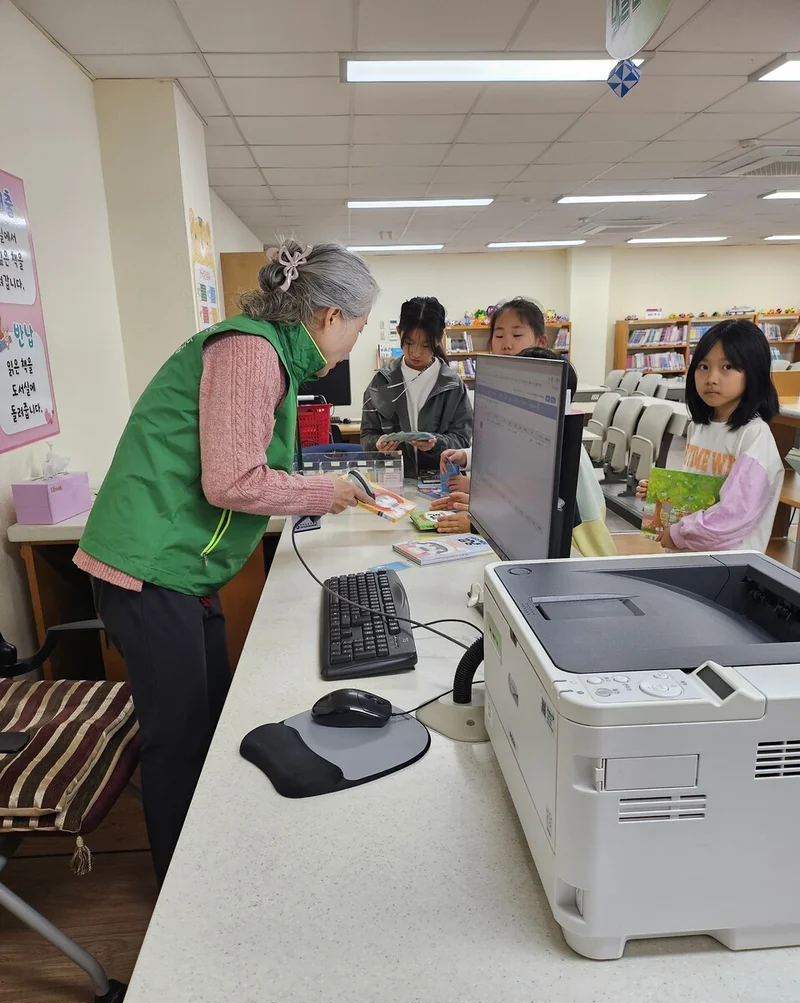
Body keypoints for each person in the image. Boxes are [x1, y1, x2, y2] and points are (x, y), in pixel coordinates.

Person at [74, 240, 377, 884]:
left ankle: (207, 858)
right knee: (178, 740)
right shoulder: (250, 352)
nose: (355, 340)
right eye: (359, 325)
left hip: (181, 570)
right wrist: (327, 492)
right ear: (327, 317)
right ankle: (180, 889)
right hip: (150, 570)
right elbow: (233, 482)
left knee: (208, 721)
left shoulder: (270, 355)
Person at [437, 299, 616, 557]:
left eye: (517, 334)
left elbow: (535, 506)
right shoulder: (514, 398)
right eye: (498, 335)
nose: (507, 343)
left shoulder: (546, 413)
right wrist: (477, 481)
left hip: (579, 550)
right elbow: (511, 469)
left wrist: (483, 517)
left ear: (542, 341)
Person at [636, 318, 782, 553]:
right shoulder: (700, 426)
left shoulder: (754, 436)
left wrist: (679, 534)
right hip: (689, 556)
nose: (711, 378)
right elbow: (698, 488)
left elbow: (734, 514)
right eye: (703, 366)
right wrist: (663, 492)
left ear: (754, 372)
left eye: (727, 367)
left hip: (725, 566)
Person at [360, 296, 472, 476]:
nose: (416, 352)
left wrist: (437, 443)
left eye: (426, 345)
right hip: (394, 483)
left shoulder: (452, 386)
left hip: (440, 484)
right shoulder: (381, 383)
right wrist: (378, 444)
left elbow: (463, 441)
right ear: (399, 332)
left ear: (439, 339)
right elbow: (367, 436)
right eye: (409, 343)